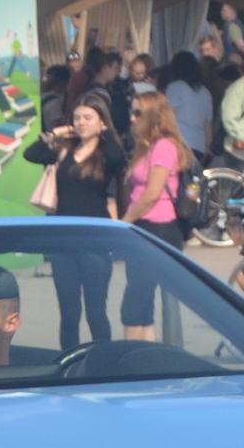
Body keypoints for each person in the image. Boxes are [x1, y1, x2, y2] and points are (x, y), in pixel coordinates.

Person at [23, 92, 122, 347]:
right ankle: (68, 365)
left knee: (96, 312)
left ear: (101, 122)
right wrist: (58, 132)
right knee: (69, 314)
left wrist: (105, 131)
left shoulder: (105, 154)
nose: (81, 122)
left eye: (88, 117)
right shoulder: (64, 151)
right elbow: (31, 154)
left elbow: (118, 158)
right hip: (63, 242)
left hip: (94, 242)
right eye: (77, 118)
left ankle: (103, 363)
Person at [116, 92, 190, 338]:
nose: (133, 118)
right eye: (131, 112)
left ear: (152, 116)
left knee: (134, 305)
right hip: (144, 227)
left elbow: (152, 194)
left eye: (138, 113)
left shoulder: (164, 146)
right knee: (142, 303)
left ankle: (132, 363)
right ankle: (146, 357)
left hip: (158, 228)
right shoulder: (146, 147)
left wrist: (124, 222)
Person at [163, 52, 214, 159]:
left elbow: (169, 118)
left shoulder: (175, 87)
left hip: (179, 144)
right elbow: (207, 125)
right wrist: (207, 147)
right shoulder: (206, 92)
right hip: (199, 146)